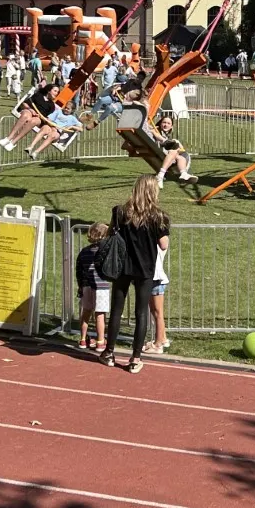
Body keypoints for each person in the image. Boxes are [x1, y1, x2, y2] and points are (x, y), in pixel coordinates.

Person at [103, 175, 169, 373]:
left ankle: (109, 352)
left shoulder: (120, 212)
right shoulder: (159, 217)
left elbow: (110, 234)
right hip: (145, 268)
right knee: (141, 313)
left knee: (116, 309)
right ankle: (135, 358)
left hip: (122, 266)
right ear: (152, 192)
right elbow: (163, 244)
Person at [75, 221, 110, 351]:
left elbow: (79, 270)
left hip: (85, 285)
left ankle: (83, 339)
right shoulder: (105, 252)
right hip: (101, 285)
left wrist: (80, 285)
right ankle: (101, 341)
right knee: (100, 314)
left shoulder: (84, 252)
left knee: (86, 312)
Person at [0, 82, 58, 151]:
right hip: (30, 111)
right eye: (55, 91)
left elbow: (46, 118)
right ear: (49, 90)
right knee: (26, 114)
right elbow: (25, 103)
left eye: (57, 92)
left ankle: (13, 142)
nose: (56, 93)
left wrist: (41, 117)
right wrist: (30, 109)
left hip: (39, 119)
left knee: (33, 121)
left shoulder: (52, 106)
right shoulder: (38, 95)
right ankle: (9, 138)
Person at [152, 114, 195, 185]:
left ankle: (183, 173)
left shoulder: (166, 134)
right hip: (158, 151)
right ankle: (161, 175)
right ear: (160, 123)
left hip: (166, 153)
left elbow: (182, 149)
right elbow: (155, 133)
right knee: (173, 151)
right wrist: (164, 140)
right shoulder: (156, 130)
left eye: (168, 123)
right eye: (164, 122)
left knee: (180, 157)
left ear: (171, 126)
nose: (166, 125)